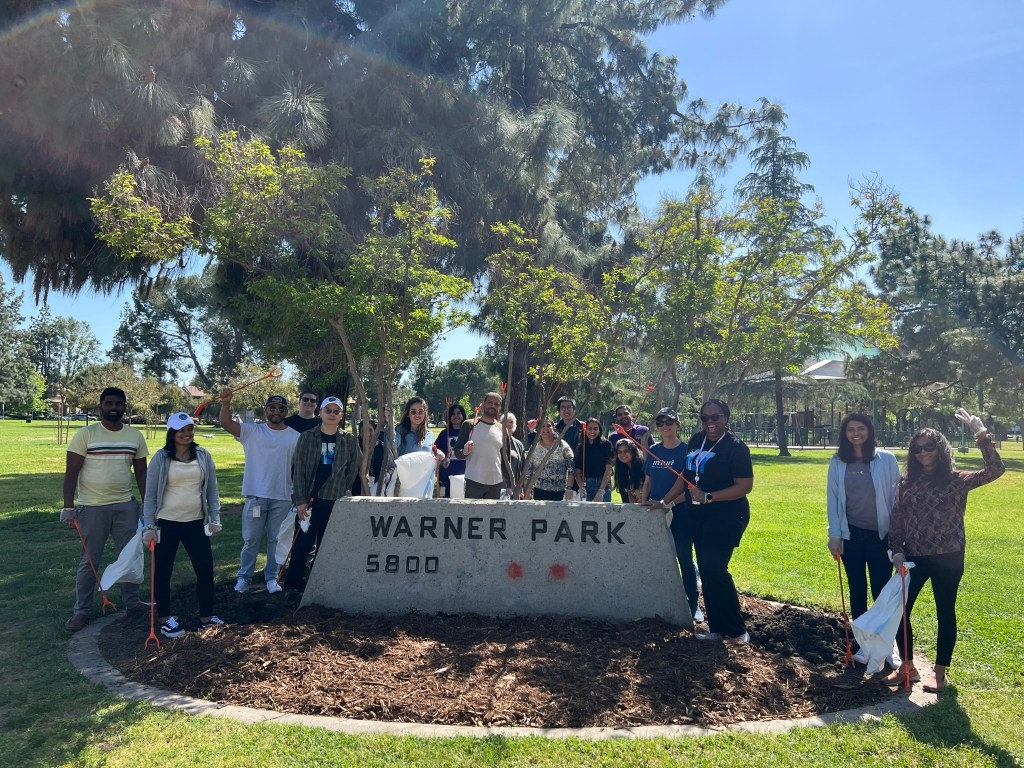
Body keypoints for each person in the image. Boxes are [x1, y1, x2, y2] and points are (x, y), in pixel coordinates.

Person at [887, 409, 1004, 693]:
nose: (923, 453)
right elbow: (897, 520)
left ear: (941, 450)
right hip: (914, 557)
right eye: (917, 449)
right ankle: (908, 666)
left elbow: (995, 470)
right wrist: (897, 551)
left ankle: (939, 673)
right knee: (900, 612)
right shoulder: (907, 484)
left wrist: (981, 434)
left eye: (930, 447)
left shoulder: (956, 479)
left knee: (944, 611)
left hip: (949, 557)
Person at [659, 400, 753, 642]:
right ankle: (717, 629)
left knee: (715, 569)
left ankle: (736, 630)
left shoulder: (735, 447)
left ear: (726, 417)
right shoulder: (696, 440)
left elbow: (744, 486)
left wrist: (709, 497)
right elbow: (684, 476)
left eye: (716, 417)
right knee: (707, 571)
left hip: (727, 514)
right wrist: (664, 501)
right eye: (705, 418)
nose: (710, 423)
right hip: (697, 514)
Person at [61, 387, 149, 631]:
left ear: (124, 407)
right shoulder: (85, 435)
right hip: (92, 507)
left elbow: (142, 473)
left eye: (118, 403)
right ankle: (81, 611)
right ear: (100, 406)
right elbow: (71, 473)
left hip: (125, 507)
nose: (113, 407)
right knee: (90, 560)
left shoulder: (135, 436)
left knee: (130, 557)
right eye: (109, 403)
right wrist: (68, 507)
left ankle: (133, 604)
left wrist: (147, 505)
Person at [826, 412, 901, 666]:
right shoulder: (838, 462)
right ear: (844, 434)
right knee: (857, 591)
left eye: (860, 428)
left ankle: (885, 647)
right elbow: (833, 501)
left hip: (881, 537)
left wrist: (898, 536)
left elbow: (896, 500)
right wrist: (834, 535)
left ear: (869, 431)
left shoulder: (886, 459)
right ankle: (861, 645)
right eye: (850, 429)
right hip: (851, 537)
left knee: (882, 593)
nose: (855, 433)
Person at [142, 413, 223, 638]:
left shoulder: (203, 456)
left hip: (196, 521)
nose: (186, 434)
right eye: (181, 430)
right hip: (166, 523)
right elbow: (149, 496)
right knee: (163, 571)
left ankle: (206, 617)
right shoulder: (161, 458)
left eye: (189, 429)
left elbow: (212, 491)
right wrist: (149, 525)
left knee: (205, 569)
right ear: (171, 433)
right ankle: (165, 617)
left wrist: (215, 518)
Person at [220, 390, 299, 595]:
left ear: (285, 412)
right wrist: (226, 404)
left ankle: (271, 578)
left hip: (282, 497)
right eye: (272, 408)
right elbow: (227, 424)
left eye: (280, 409)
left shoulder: (295, 437)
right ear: (266, 410)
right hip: (256, 496)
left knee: (275, 540)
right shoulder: (252, 431)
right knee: (251, 540)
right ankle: (243, 579)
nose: (276, 412)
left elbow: (301, 467)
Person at [285, 396, 361, 598]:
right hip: (310, 502)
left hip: (334, 501)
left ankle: (318, 584)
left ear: (341, 416)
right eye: (329, 410)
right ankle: (292, 585)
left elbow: (353, 468)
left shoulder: (349, 440)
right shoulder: (307, 437)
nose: (332, 414)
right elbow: (298, 470)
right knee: (302, 545)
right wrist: (300, 501)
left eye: (337, 411)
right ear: (320, 412)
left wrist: (344, 489)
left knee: (326, 546)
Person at [640, 407, 701, 623]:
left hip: (680, 511)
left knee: (684, 556)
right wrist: (643, 503)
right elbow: (647, 482)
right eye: (661, 422)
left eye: (670, 422)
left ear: (678, 424)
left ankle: (692, 602)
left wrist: (670, 503)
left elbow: (689, 486)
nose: (665, 426)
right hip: (655, 512)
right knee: (657, 557)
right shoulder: (654, 450)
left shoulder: (686, 451)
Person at [454, 391, 516, 499]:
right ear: (483, 404)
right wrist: (464, 452)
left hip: (495, 483)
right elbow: (457, 451)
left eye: (496, 404)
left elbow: (506, 460)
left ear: (499, 408)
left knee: (492, 514)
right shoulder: (469, 425)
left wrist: (510, 484)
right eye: (490, 402)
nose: (492, 406)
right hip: (474, 481)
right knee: (473, 515)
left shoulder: (502, 429)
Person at [522, 418, 575, 501]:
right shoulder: (534, 448)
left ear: (553, 428)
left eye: (548, 426)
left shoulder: (563, 446)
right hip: (539, 491)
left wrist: (569, 488)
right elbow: (528, 471)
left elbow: (571, 468)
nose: (545, 429)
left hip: (560, 492)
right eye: (542, 426)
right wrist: (527, 491)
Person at [575, 417, 614, 502]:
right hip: (586, 484)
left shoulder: (606, 444)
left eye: (595, 429)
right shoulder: (581, 447)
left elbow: (608, 469)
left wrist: (601, 491)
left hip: (603, 484)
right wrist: (580, 487)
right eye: (589, 428)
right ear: (585, 430)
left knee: (602, 513)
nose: (592, 431)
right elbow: (577, 470)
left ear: (599, 430)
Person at [433, 403, 467, 497]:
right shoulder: (444, 433)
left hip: (466, 473)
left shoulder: (469, 432)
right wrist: (443, 459)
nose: (456, 416)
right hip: (447, 474)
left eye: (458, 413)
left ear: (463, 415)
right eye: (453, 414)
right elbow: (435, 449)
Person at [613, 439, 646, 504]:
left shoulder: (643, 467)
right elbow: (629, 497)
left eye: (626, 451)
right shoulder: (623, 470)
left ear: (633, 451)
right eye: (619, 452)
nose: (623, 454)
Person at [504, 412, 526, 485]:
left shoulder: (519, 445)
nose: (509, 424)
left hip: (514, 487)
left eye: (511, 422)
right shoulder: (496, 441)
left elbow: (523, 467)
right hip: (497, 487)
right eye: (506, 421)